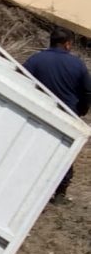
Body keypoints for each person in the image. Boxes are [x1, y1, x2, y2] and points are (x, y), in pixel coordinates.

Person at [23, 26, 91, 203]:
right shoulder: (77, 64)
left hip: (40, 112)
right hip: (67, 114)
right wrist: (81, 110)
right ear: (67, 44)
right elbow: (87, 92)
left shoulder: (35, 60)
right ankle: (60, 193)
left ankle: (29, 187)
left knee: (34, 150)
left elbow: (21, 80)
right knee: (63, 154)